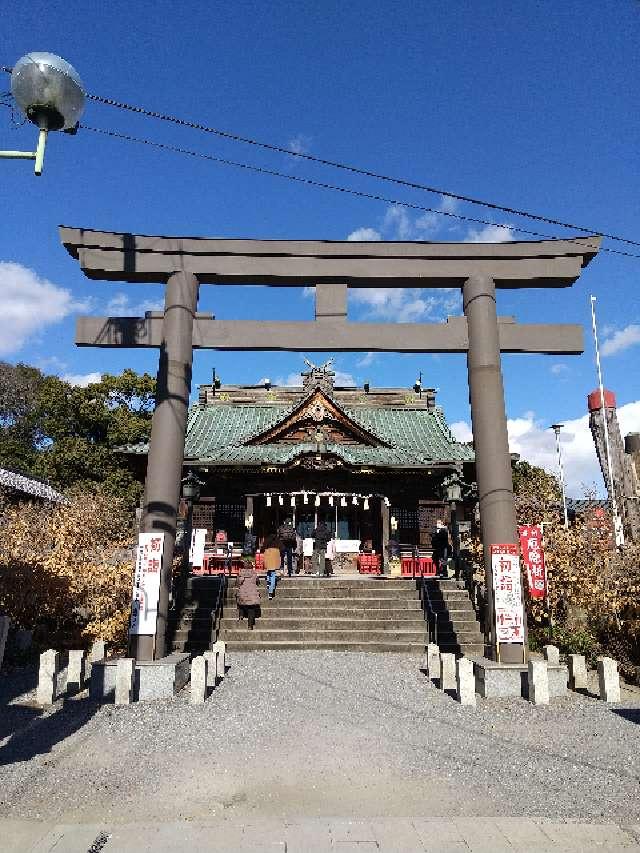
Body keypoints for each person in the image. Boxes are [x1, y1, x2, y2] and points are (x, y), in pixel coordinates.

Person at [236, 561, 261, 630]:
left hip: (242, 594)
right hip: (252, 595)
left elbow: (237, 583)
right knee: (251, 609)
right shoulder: (254, 573)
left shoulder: (240, 573)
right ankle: (250, 625)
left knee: (240, 600)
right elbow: (258, 582)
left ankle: (241, 615)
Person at [262, 532, 281, 599]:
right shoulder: (277, 540)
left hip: (268, 555)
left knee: (269, 571)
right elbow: (282, 548)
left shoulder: (267, 539)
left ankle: (268, 582)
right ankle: (271, 591)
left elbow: (263, 548)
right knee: (273, 573)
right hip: (275, 555)